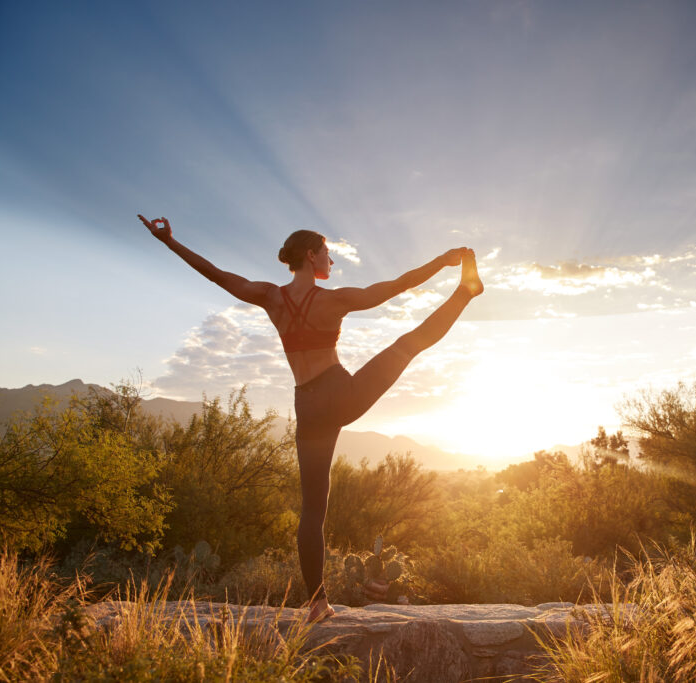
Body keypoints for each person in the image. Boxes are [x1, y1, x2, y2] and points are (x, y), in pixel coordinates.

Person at [137, 214, 483, 623]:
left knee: (312, 510)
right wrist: (441, 261)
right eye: (327, 253)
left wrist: (169, 242)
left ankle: (316, 601)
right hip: (340, 395)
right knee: (408, 345)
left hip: (307, 406)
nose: (332, 261)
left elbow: (214, 274)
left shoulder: (270, 296)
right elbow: (393, 287)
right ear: (309, 254)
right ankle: (466, 291)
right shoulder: (332, 300)